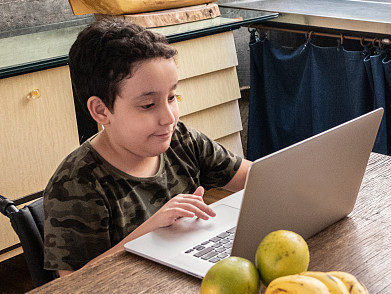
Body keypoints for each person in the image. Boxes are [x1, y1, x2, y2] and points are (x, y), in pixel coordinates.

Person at [43, 19, 251, 276]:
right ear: (101, 110)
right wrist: (150, 230)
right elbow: (70, 285)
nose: (169, 117)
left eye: (172, 97)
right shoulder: (77, 183)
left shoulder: (181, 140)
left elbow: (254, 179)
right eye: (148, 105)